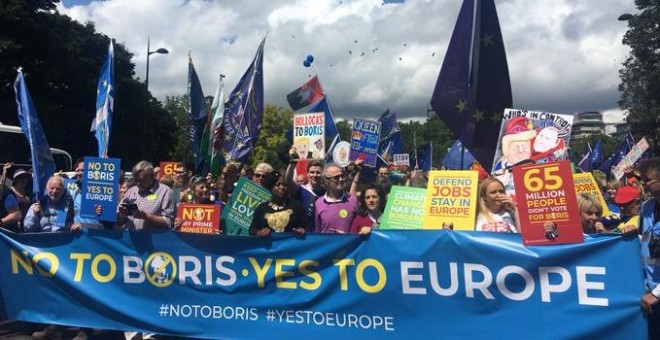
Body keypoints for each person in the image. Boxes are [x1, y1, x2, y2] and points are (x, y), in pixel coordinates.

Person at [635, 158, 660, 338]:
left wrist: (657, 293)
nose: (642, 184)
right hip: (648, 293)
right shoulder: (647, 207)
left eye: (647, 180)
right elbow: (645, 240)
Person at [117, 161, 175, 230]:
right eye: (136, 180)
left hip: (154, 239)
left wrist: (145, 216)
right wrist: (122, 214)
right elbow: (119, 222)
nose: (138, 183)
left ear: (151, 176)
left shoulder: (166, 192)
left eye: (141, 180)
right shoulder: (131, 191)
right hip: (130, 238)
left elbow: (169, 222)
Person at [249, 171, 306, 236]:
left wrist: (302, 229)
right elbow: (252, 229)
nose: (282, 188)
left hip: (291, 245)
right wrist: (259, 232)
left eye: (284, 185)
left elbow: (306, 227)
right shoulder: (262, 208)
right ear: (270, 188)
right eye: (277, 185)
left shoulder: (297, 206)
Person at [315, 163, 359, 233]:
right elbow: (318, 232)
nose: (341, 179)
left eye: (342, 176)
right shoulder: (319, 203)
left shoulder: (353, 200)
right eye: (336, 178)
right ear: (326, 181)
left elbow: (358, 229)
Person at [286, 155, 326, 231]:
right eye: (312, 172)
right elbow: (288, 180)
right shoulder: (300, 189)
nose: (314, 175)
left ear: (323, 174)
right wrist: (292, 162)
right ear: (307, 174)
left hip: (320, 236)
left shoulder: (326, 193)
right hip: (303, 236)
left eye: (318, 172)